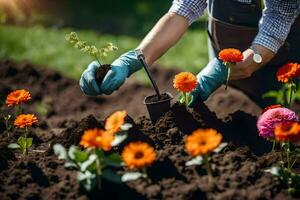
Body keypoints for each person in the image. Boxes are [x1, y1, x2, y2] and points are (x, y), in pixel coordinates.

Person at [79, 0, 300, 108]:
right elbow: (183, 10)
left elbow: (274, 27)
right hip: (227, 71)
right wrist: (133, 59)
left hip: (284, 69)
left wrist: (235, 65)